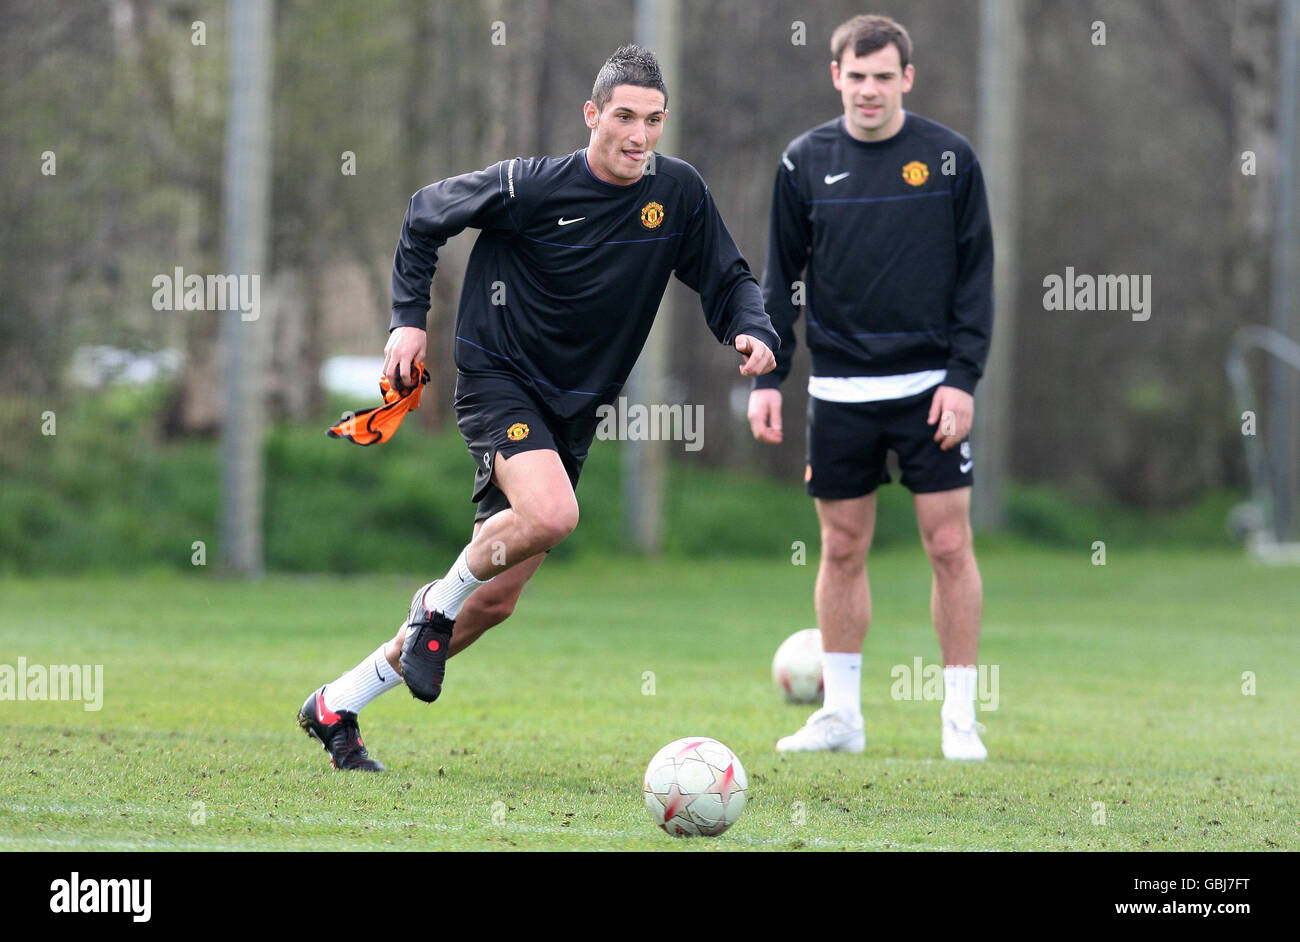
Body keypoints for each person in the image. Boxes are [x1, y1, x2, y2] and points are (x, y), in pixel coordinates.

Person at [299, 45, 778, 770]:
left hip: (572, 416)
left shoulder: (676, 196)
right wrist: (407, 319)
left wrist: (752, 327)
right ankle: (434, 602)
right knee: (551, 516)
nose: (637, 135)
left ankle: (337, 706)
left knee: (491, 604)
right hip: (498, 380)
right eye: (623, 116)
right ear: (592, 115)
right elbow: (426, 214)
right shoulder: (531, 187)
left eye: (652, 121)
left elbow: (729, 278)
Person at [748, 14, 994, 760]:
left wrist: (962, 377)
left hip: (930, 391)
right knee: (841, 547)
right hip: (840, 390)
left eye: (883, 77)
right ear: (836, 77)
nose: (869, 90)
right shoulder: (802, 162)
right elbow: (779, 277)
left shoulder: (950, 160)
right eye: (856, 76)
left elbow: (977, 280)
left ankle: (959, 717)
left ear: (906, 79)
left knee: (949, 545)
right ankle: (843, 718)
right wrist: (770, 376)